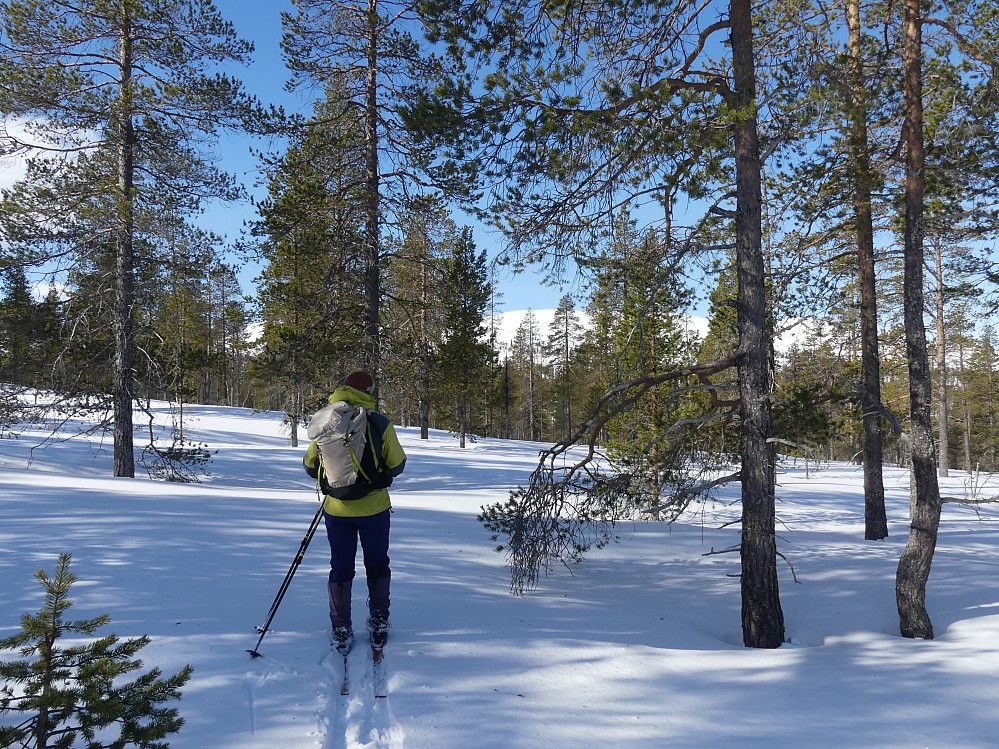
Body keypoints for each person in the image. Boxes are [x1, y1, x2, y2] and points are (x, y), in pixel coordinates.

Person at [303, 371, 407, 652]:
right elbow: (397, 465)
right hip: (374, 509)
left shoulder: (327, 420)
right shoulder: (379, 422)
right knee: (377, 564)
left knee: (340, 566)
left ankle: (340, 627)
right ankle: (378, 621)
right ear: (369, 391)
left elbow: (310, 466)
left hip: (336, 510)